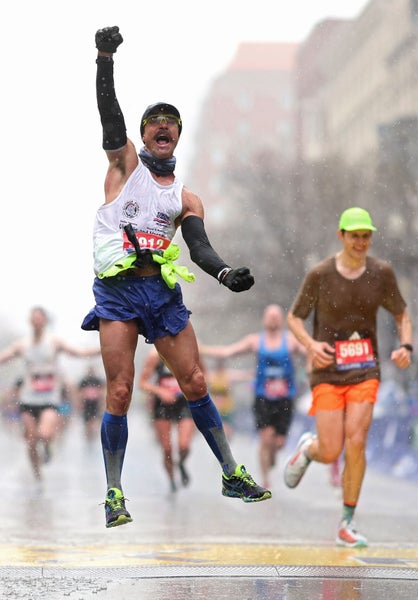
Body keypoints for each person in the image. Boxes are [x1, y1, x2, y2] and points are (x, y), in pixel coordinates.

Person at [82, 26, 270, 528]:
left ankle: (231, 472)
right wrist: (105, 59)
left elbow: (199, 247)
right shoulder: (123, 165)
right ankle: (114, 493)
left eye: (171, 123)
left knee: (195, 380)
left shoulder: (187, 198)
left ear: (177, 137)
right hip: (119, 292)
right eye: (154, 123)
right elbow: (109, 114)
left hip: (160, 294)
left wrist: (224, 272)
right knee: (119, 391)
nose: (162, 127)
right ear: (144, 135)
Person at [284, 207, 412, 548]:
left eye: (366, 236)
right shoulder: (320, 274)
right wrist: (311, 345)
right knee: (332, 448)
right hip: (327, 371)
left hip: (365, 368)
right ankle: (310, 451)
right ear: (341, 236)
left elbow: (402, 314)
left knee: (357, 440)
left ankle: (347, 521)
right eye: (354, 235)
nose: (361, 242)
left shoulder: (382, 273)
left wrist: (406, 346)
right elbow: (294, 318)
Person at [0, 306, 100, 481]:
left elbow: (78, 353)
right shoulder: (22, 344)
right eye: (33, 317)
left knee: (44, 434)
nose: (36, 320)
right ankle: (37, 474)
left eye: (40, 317)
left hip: (50, 399)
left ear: (45, 321)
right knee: (30, 441)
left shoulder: (54, 343)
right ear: (30, 321)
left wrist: (103, 349)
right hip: (28, 399)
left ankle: (48, 446)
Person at [202, 305, 307, 488]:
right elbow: (227, 352)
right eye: (270, 316)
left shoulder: (290, 341)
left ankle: (272, 455)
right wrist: (200, 349)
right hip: (263, 397)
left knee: (279, 443)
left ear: (282, 320)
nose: (273, 319)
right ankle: (266, 479)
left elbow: (311, 351)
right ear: (264, 320)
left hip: (284, 399)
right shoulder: (256, 341)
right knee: (266, 437)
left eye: (276, 316)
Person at [138, 348, 196, 493]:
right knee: (167, 449)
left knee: (184, 445)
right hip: (162, 404)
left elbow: (204, 375)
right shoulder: (154, 355)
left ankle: (181, 463)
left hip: (184, 402)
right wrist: (160, 391)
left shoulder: (188, 349)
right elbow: (142, 382)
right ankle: (171, 482)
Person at [77, 366, 106, 442]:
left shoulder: (97, 380)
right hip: (87, 402)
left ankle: (92, 431)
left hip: (95, 402)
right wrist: (80, 402)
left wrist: (102, 402)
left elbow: (101, 391)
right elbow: (80, 392)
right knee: (87, 418)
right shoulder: (84, 380)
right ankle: (89, 431)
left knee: (94, 417)